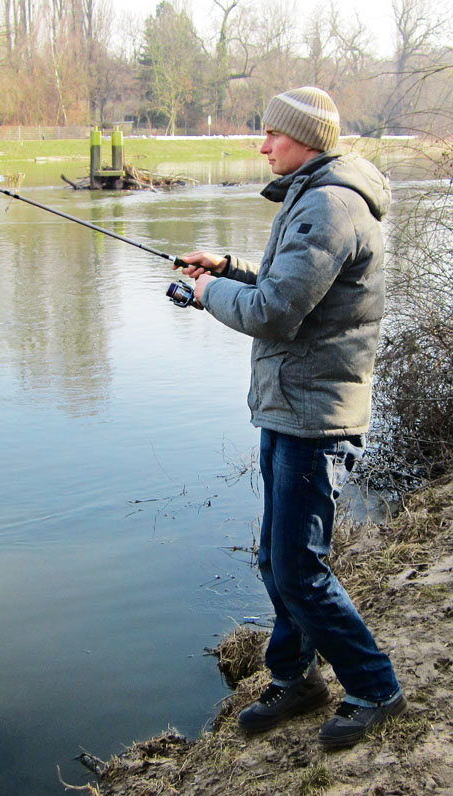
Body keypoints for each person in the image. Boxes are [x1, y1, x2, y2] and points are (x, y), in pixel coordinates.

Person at [176, 86, 406, 747]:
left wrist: (207, 293)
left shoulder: (331, 204)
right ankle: (295, 677)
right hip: (293, 406)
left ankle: (375, 686)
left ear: (303, 138)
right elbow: (287, 279)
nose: (262, 144)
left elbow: (276, 311)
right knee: (277, 560)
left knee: (298, 566)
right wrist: (226, 267)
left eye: (271, 134)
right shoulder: (315, 193)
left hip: (316, 416)